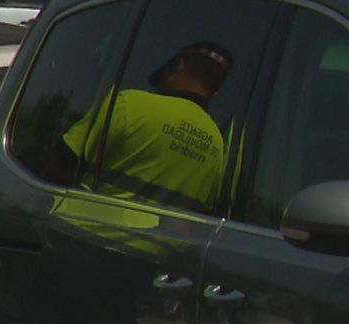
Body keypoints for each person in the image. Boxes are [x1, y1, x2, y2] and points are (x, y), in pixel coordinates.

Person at [62, 41, 232, 213]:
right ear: (215, 91)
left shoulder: (129, 104)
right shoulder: (219, 147)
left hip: (82, 232)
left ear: (179, 66)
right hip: (163, 240)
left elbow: (60, 165)